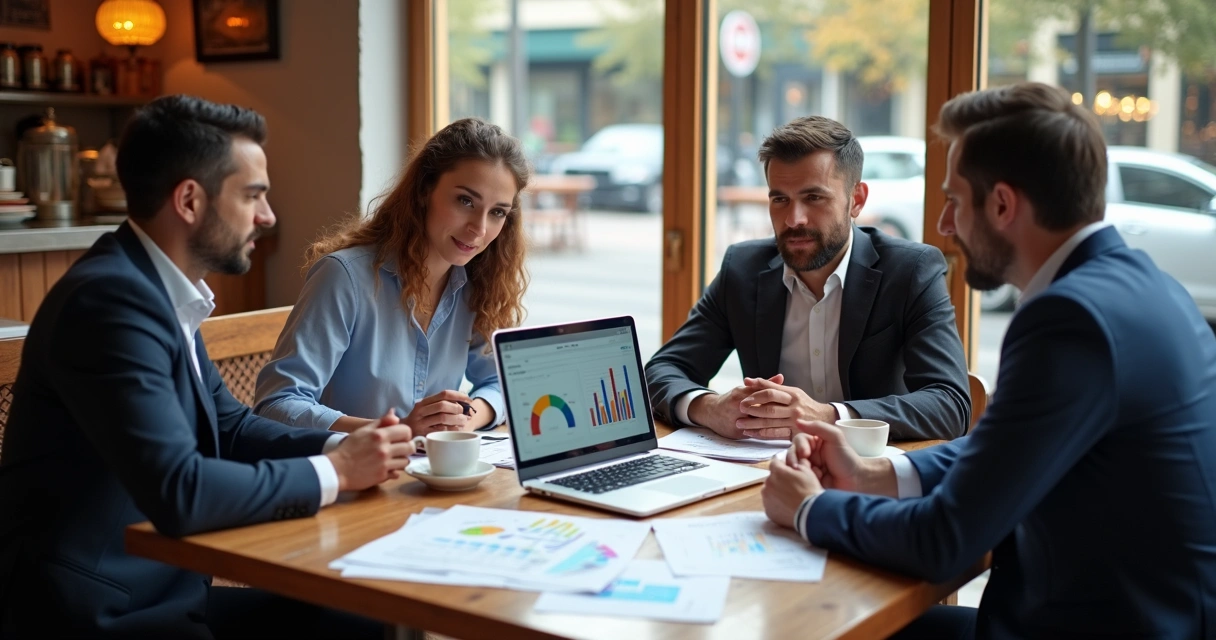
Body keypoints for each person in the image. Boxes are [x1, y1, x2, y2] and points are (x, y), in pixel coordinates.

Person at [762, 82, 1216, 639]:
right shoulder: (1147, 286)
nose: (944, 226)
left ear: (1002, 204)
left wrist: (808, 509)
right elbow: (1006, 452)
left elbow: (944, 540)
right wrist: (878, 473)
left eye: (954, 201)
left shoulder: (1070, 319)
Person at [0, 95, 413, 638]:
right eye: (252, 195)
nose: (267, 217)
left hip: (159, 591)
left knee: (364, 620)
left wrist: (350, 444)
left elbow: (229, 426)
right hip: (96, 613)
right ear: (190, 200)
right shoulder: (110, 303)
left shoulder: (156, 289)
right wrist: (337, 472)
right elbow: (182, 491)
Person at [645, 116, 970, 442]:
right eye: (780, 199)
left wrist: (829, 417)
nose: (793, 219)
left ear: (856, 200)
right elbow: (662, 370)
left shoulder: (911, 271)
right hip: (765, 465)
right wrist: (708, 407)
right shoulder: (743, 270)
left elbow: (949, 403)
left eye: (814, 197)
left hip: (869, 466)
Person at [254, 118, 528, 435]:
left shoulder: (478, 285)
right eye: (465, 201)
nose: (479, 229)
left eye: (497, 212)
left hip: (431, 465)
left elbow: (502, 382)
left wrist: (468, 417)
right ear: (424, 190)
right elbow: (276, 405)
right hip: (348, 464)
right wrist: (397, 431)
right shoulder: (344, 277)